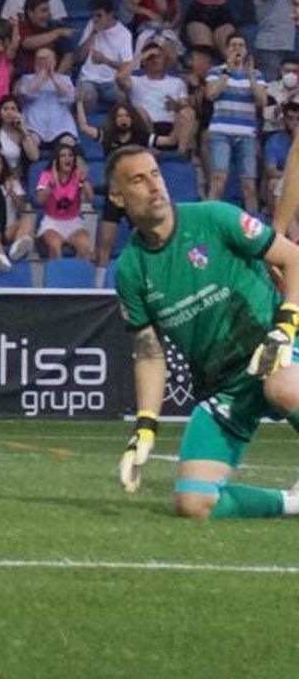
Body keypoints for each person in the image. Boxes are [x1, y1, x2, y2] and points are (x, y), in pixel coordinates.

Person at [110, 144, 299, 520]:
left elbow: (292, 258)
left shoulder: (214, 218)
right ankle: (293, 503)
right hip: (225, 386)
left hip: (275, 350)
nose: (153, 186)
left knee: (281, 387)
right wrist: (145, 426)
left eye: (155, 175)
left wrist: (286, 324)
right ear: (117, 197)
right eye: (137, 180)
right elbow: (149, 352)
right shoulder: (130, 270)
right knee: (193, 504)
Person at [203, 32, 267, 214]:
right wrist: (227, 71)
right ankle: (208, 219)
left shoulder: (257, 74)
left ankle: (253, 227)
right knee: (218, 179)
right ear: (226, 49)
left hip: (246, 134)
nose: (237, 49)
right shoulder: (216, 71)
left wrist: (252, 77)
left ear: (246, 50)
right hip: (220, 132)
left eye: (241, 45)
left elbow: (262, 101)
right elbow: (211, 94)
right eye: (233, 45)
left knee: (248, 184)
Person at [35, 140, 92, 260]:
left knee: (85, 245)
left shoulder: (78, 175)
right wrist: (52, 183)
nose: (67, 158)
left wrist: (84, 180)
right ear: (56, 160)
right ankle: (56, 277)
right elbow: (40, 200)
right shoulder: (47, 175)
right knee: (55, 246)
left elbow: (90, 198)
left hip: (73, 222)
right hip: (52, 223)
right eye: (63, 155)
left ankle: (78, 277)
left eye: (70, 155)